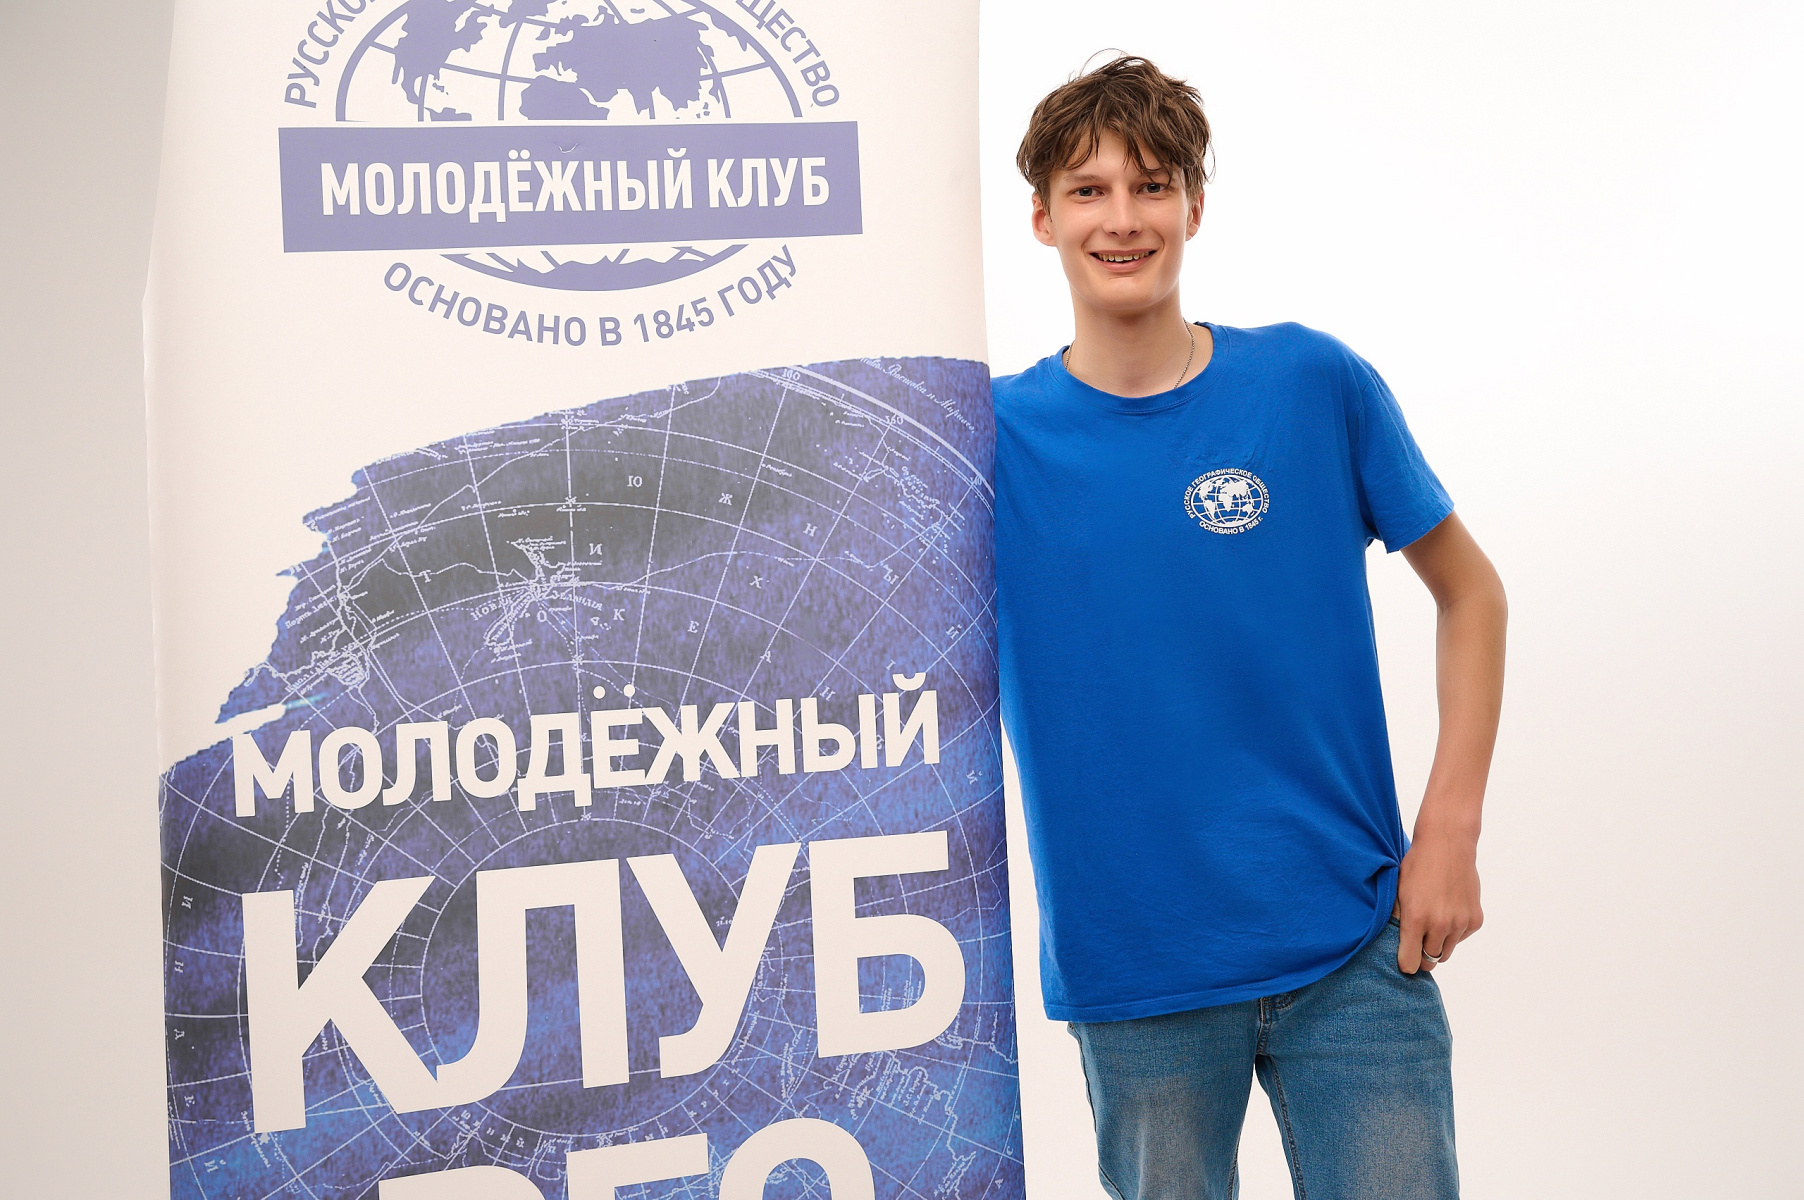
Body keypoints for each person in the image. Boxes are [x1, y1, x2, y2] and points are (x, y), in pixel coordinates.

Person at [993, 56, 1508, 1200]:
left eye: (1151, 185)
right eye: (1087, 191)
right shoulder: (989, 441)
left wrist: (1450, 831)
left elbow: (1472, 592)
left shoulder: (1309, 382)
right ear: (1041, 217)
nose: (1122, 219)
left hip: (1353, 942)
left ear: (1194, 206)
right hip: (1139, 970)